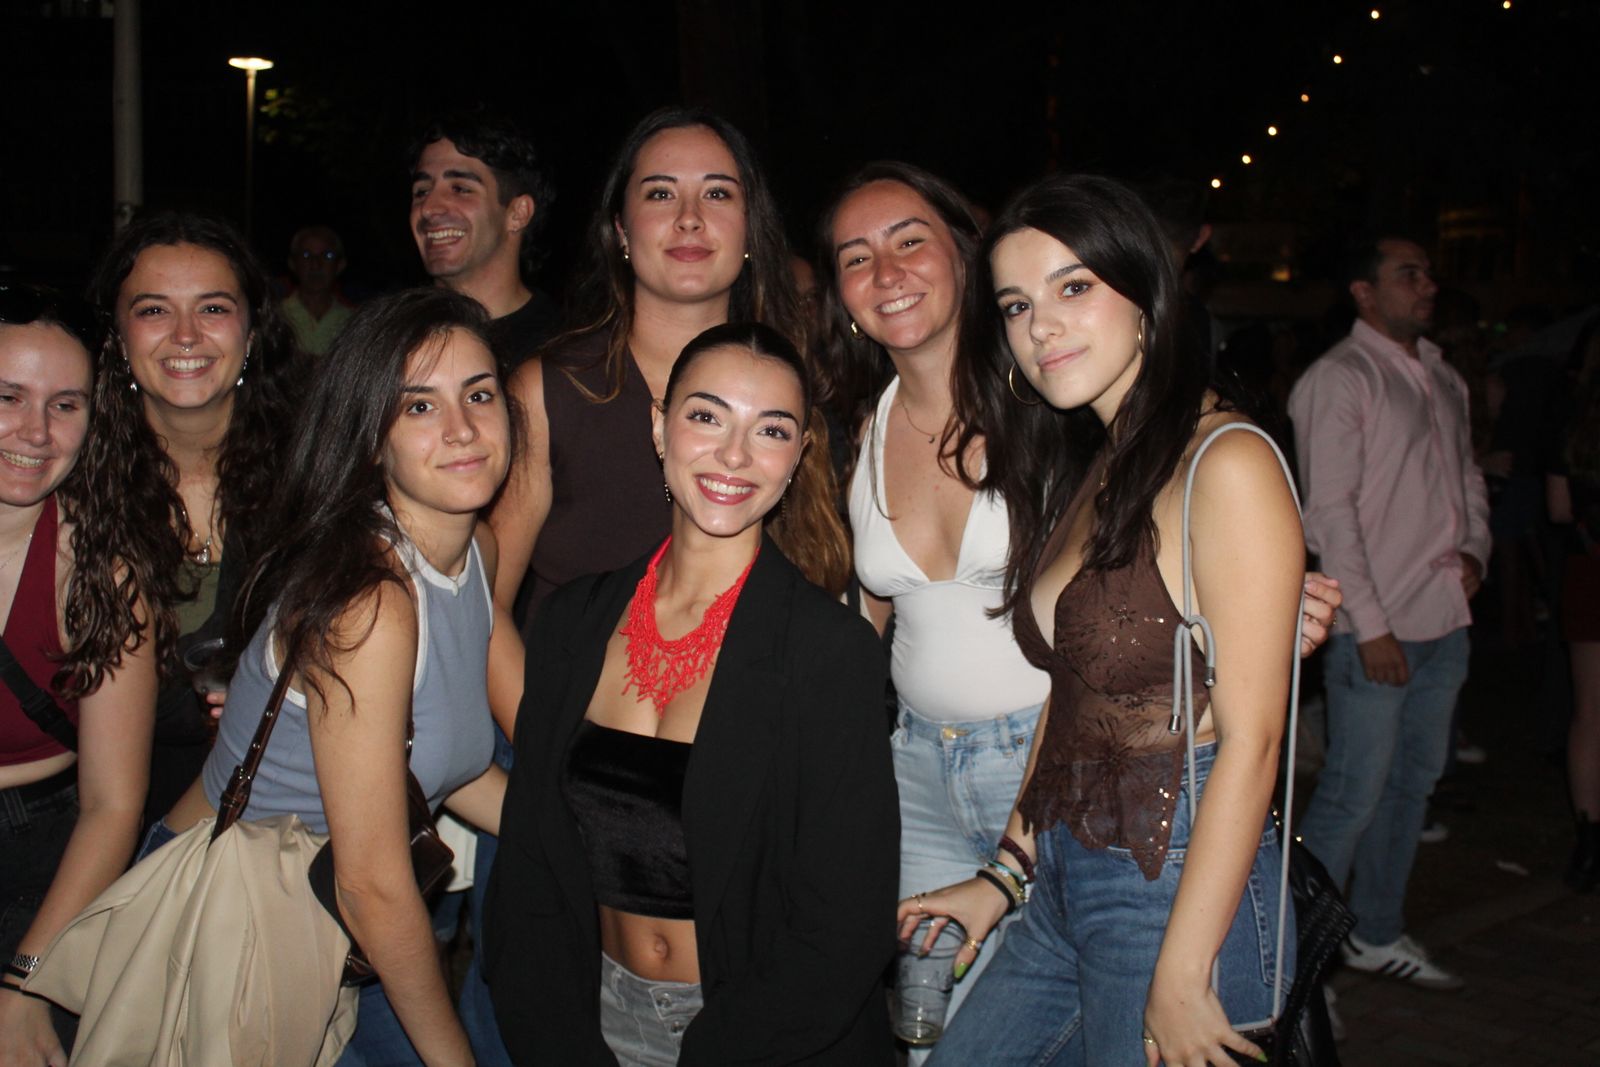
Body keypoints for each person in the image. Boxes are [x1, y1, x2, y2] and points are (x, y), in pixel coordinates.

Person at [815, 164, 1340, 1042]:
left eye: (1074, 287)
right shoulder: (1106, 458)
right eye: (1018, 305)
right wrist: (1005, 876)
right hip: (1062, 856)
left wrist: (1180, 969)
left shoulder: (1224, 457)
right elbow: (1076, 693)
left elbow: (1254, 740)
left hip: (1167, 869)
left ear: (1147, 292)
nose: (1041, 325)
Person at [473, 105, 808, 1066]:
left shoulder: (803, 386)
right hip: (572, 777)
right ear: (621, 230)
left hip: (745, 791)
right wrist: (550, 750)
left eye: (719, 194)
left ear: (752, 231)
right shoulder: (552, 387)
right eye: (659, 194)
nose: (690, 218)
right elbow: (478, 597)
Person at [486, 322, 895, 1065]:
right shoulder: (574, 622)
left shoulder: (829, 655)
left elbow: (843, 927)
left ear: (799, 454)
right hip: (589, 1019)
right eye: (707, 415)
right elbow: (530, 867)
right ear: (657, 427)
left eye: (770, 430)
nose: (734, 456)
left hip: (759, 1037)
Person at [153, 287, 511, 1065]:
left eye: (479, 393)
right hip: (240, 912)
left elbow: (455, 762)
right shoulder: (369, 603)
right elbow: (374, 884)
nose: (462, 428)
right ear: (369, 439)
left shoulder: (475, 550)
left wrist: (593, 840)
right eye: (418, 406)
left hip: (338, 915)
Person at [1288, 236, 1488, 989]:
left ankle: (1374, 929)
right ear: (1364, 292)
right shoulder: (1339, 379)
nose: (1428, 284)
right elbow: (1329, 515)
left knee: (1413, 784)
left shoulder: (1438, 374)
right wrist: (1368, 626)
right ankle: (1296, 969)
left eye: (1429, 271)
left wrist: (1475, 551)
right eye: (1410, 273)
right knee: (1351, 792)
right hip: (1377, 625)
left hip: (1443, 615)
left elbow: (1465, 476)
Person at [83, 210, 294, 831]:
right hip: (122, 822)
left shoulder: (318, 471)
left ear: (252, 331)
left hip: (290, 819)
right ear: (119, 338)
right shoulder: (73, 484)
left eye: (212, 308)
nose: (184, 335)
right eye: (152, 310)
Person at [0, 286, 158, 1067]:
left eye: (65, 404)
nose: (34, 431)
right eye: (8, 396)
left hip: (41, 863)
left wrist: (27, 983)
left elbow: (112, 804)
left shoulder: (99, 572)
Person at [409, 113, 562, 370]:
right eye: (421, 192)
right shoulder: (391, 339)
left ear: (518, 213)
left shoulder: (566, 349)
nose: (428, 208)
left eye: (460, 188)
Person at [281, 224, 356, 358]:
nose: (315, 264)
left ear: (340, 264)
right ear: (292, 263)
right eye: (306, 255)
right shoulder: (277, 317)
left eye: (327, 255)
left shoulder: (353, 321)